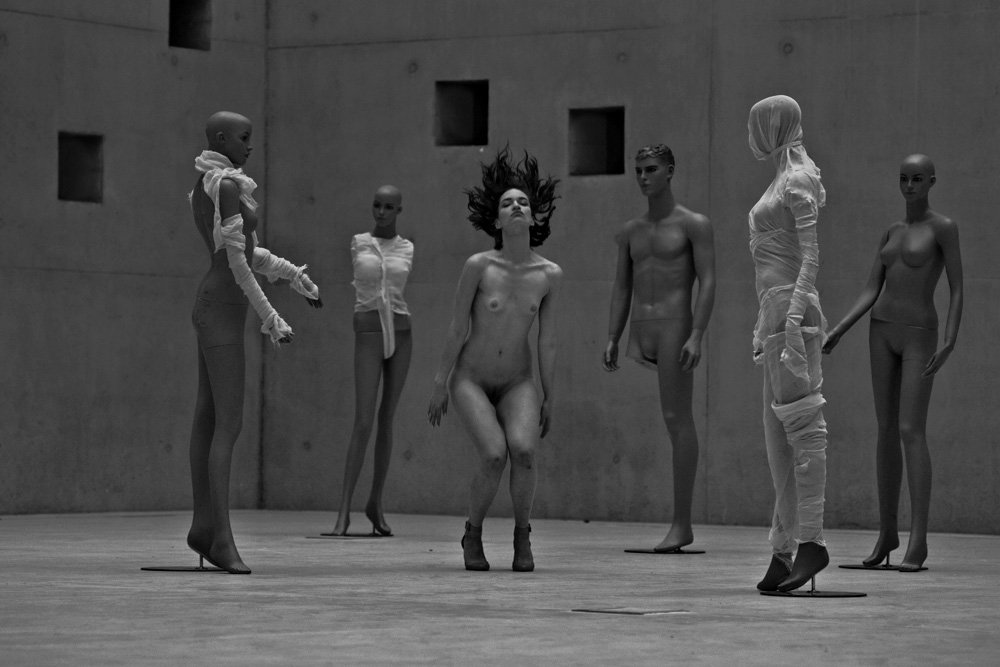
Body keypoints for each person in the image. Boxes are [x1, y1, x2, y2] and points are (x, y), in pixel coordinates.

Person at [187, 111, 322, 573]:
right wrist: (270, 317)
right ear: (221, 138)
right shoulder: (223, 185)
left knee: (209, 418)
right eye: (244, 138)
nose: (249, 146)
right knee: (228, 424)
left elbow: (249, 253)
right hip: (221, 310)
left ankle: (203, 528)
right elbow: (238, 264)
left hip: (217, 305)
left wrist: (295, 276)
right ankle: (219, 538)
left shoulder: (214, 182)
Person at [823, 154, 962, 572]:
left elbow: (957, 287)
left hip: (919, 333)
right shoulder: (892, 230)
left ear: (932, 181)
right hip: (881, 330)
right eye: (904, 178)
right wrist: (840, 328)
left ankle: (918, 540)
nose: (909, 186)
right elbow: (872, 288)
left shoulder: (943, 228)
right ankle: (887, 534)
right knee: (885, 430)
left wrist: (951, 340)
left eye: (917, 178)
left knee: (910, 429)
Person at [427, 148, 562, 572]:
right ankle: (473, 534)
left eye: (523, 202)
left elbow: (548, 341)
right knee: (493, 454)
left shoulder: (549, 274)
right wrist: (440, 381)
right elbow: (457, 327)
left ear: (534, 217)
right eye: (507, 203)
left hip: (517, 381)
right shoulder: (479, 266)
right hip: (471, 378)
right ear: (497, 220)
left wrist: (549, 396)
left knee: (524, 451)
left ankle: (523, 536)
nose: (516, 206)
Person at [603, 144, 715, 552]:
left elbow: (708, 280)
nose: (643, 177)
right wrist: (612, 335)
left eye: (651, 169)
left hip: (674, 324)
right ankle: (679, 524)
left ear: (670, 171)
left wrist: (697, 333)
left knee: (676, 417)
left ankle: (682, 524)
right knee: (671, 418)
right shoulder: (630, 231)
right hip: (641, 325)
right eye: (638, 170)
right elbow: (622, 286)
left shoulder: (693, 224)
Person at [746, 95, 830, 592]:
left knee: (803, 428)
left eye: (756, 124)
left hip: (791, 313)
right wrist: (769, 322)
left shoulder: (798, 179)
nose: (752, 134)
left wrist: (795, 319)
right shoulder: (781, 178)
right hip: (775, 312)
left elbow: (811, 256)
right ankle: (782, 549)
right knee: (777, 439)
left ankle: (812, 541)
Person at [329, 185, 414, 537]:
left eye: (389, 207)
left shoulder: (407, 247)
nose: (381, 212)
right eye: (377, 205)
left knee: (386, 419)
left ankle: (375, 504)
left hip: (401, 331)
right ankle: (343, 512)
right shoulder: (359, 242)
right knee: (363, 420)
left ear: (399, 210)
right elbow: (366, 287)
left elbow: (395, 290)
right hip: (368, 331)